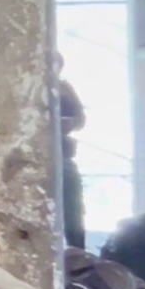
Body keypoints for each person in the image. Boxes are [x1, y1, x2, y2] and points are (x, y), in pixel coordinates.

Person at [55, 52, 87, 250]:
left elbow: (81, 120)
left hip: (63, 154)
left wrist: (67, 123)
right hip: (38, 156)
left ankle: (78, 252)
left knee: (73, 208)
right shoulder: (30, 89)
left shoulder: (65, 90)